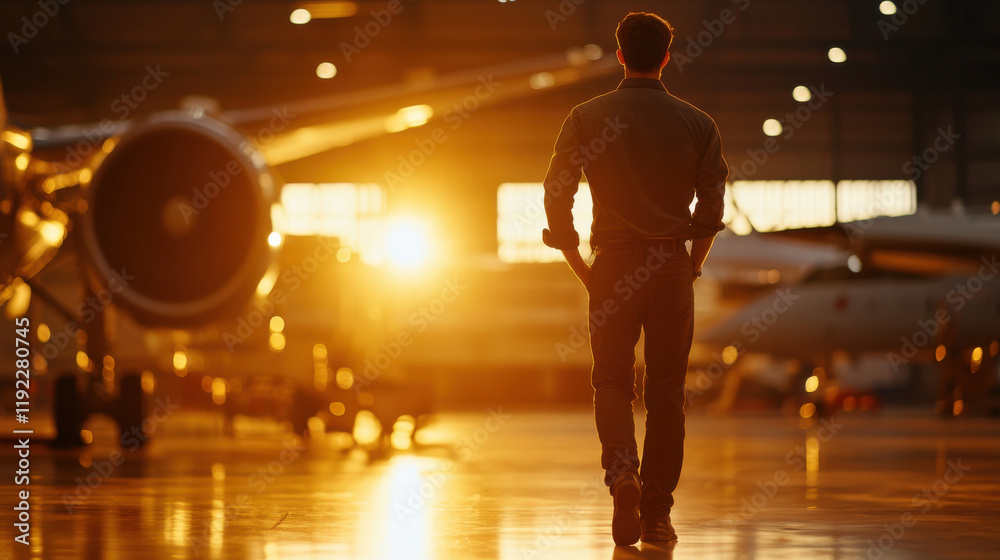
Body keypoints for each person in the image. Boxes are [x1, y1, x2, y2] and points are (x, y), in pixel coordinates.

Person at [541, 11, 728, 546]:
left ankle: (622, 472)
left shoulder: (586, 116)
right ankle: (658, 511)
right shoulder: (698, 123)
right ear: (666, 57)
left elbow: (557, 189)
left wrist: (576, 257)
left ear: (620, 53)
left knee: (612, 383)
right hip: (671, 265)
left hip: (614, 264)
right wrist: (691, 262)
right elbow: (711, 205)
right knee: (668, 392)